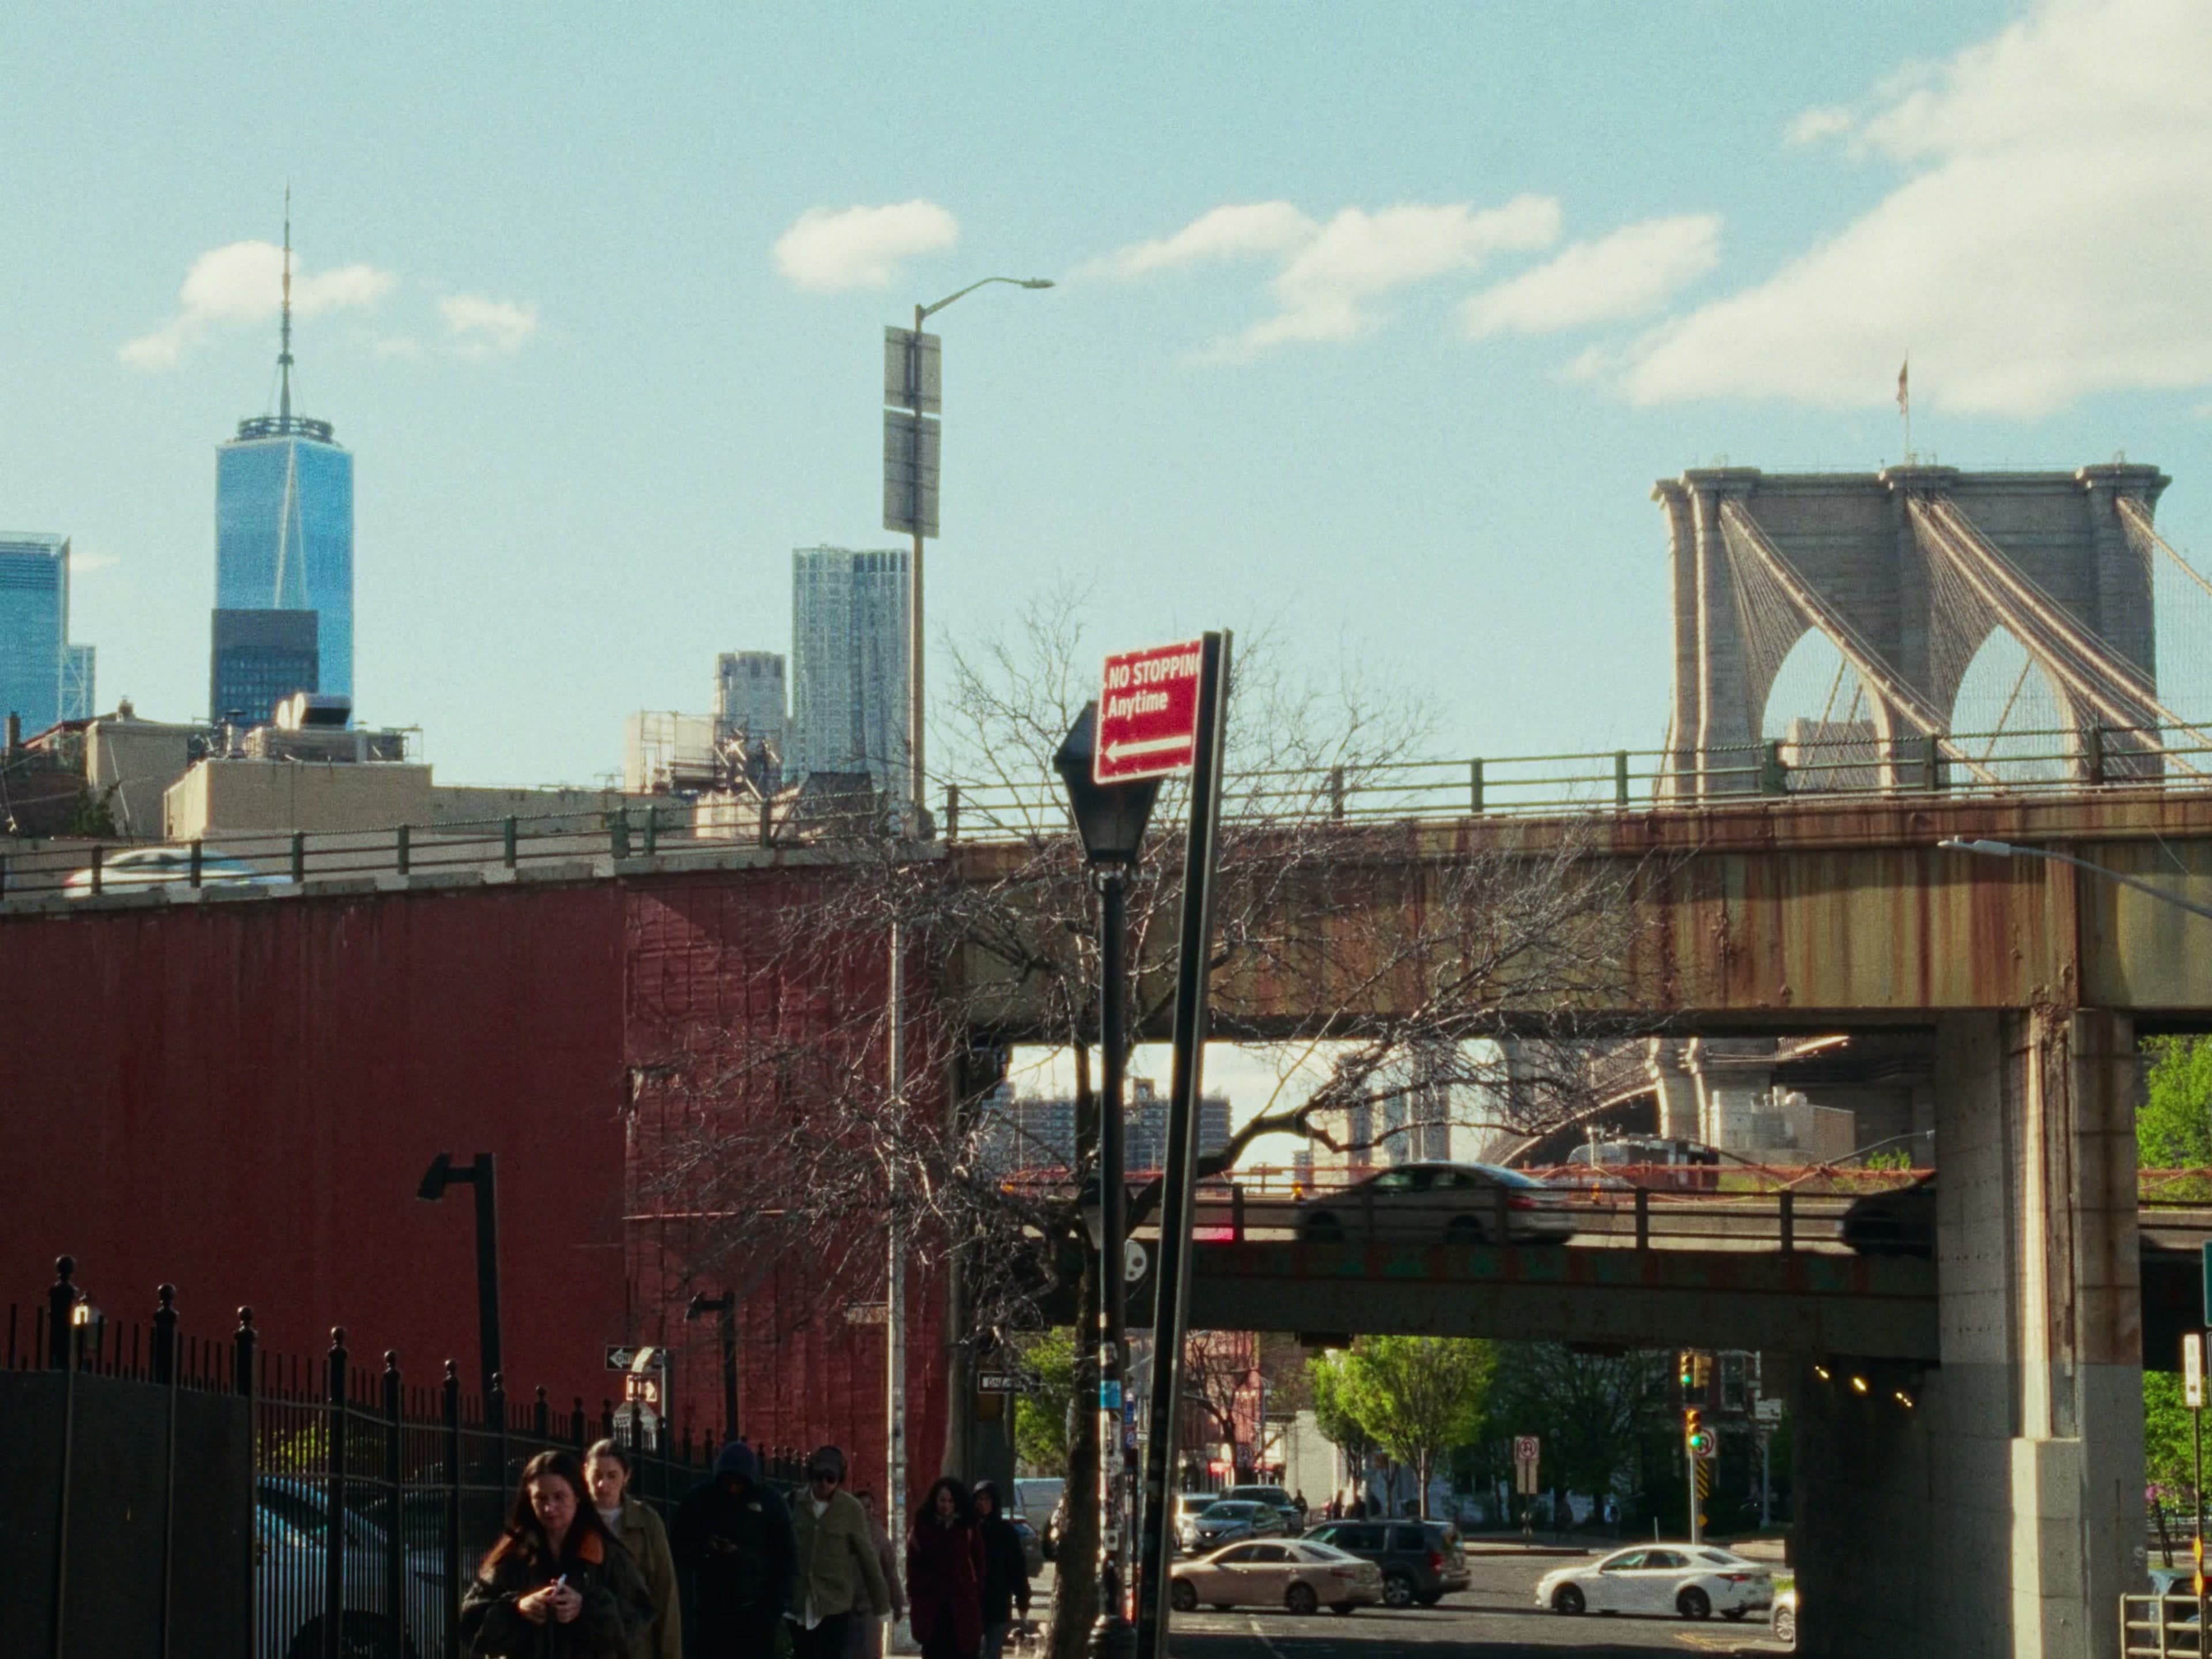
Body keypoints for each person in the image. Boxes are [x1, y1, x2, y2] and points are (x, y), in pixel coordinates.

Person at [460, 1448, 653, 1659]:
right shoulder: (513, 1555)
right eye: (540, 1498)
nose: (550, 1508)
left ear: (578, 1496)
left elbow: (637, 1617)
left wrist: (586, 1608)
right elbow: (470, 1619)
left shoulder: (604, 1554)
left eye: (559, 1497)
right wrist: (517, 1609)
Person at [672, 1441, 797, 1659]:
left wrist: (774, 1608)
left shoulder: (770, 1503)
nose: (732, 1489)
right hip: (710, 1610)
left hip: (755, 1610)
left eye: (738, 1483)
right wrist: (707, 1551)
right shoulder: (700, 1500)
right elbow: (679, 1546)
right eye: (729, 1482)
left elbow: (786, 1557)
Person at [789, 1445, 892, 1659]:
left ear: (839, 1480)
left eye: (831, 1479)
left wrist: (882, 1606)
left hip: (834, 1606)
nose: (824, 1484)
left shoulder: (851, 1510)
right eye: (819, 1478)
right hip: (798, 1605)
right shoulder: (792, 1503)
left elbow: (868, 1559)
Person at [585, 1439, 682, 1659]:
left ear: (626, 1477)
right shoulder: (574, 1518)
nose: (603, 1485)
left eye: (612, 1476)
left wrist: (669, 1653)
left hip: (636, 1642)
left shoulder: (647, 1522)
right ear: (586, 1474)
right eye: (597, 1475)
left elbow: (664, 1591)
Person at [906, 1477, 985, 1659]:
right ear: (935, 1501)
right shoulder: (922, 1529)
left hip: (962, 1607)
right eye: (942, 1500)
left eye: (951, 1501)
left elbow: (979, 1561)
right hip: (932, 1607)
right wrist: (917, 1595)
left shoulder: (967, 1528)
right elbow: (913, 1568)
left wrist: (973, 1589)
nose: (946, 1506)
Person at [969, 1482, 1031, 1659]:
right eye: (979, 1499)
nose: (982, 1504)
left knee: (992, 1651)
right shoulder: (968, 1530)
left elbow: (1017, 1568)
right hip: (972, 1601)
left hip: (997, 1601)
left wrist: (1022, 1597)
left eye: (987, 1499)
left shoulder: (1005, 1532)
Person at [847, 1491, 907, 1659]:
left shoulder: (878, 1534)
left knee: (870, 1651)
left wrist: (898, 1603)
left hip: (870, 1606)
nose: (865, 1511)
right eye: (860, 1506)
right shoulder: (843, 1532)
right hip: (845, 1606)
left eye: (868, 1507)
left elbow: (890, 1571)